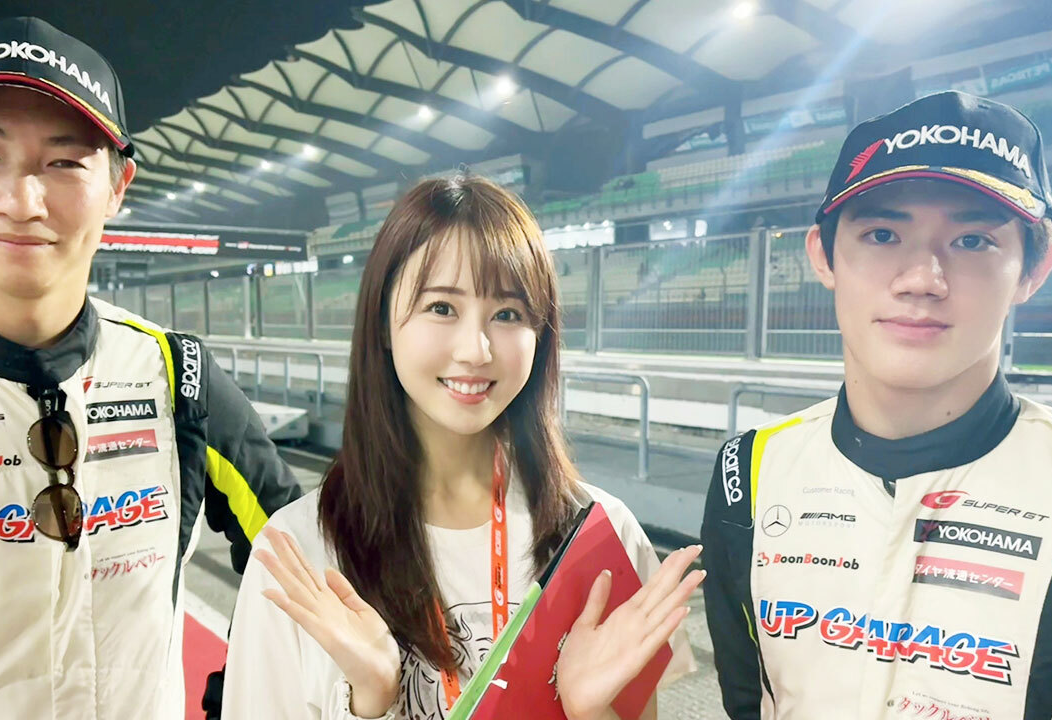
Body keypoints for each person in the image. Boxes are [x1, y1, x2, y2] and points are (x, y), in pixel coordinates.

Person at [0, 17, 301, 718]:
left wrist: (235, 700)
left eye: (65, 163)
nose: (22, 203)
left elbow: (309, 565)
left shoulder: (176, 373)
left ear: (118, 185)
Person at [221, 175, 703, 720]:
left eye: (508, 314)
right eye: (441, 308)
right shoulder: (299, 554)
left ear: (541, 336)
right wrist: (370, 701)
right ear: (382, 322)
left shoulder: (600, 538)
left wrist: (589, 712)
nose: (476, 350)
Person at [701, 90, 1052, 718]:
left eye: (973, 240)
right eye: (882, 234)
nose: (922, 278)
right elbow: (745, 703)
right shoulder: (749, 473)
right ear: (822, 255)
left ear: (1034, 270)